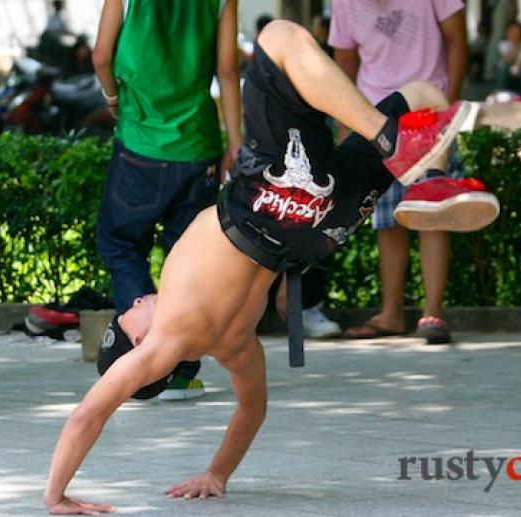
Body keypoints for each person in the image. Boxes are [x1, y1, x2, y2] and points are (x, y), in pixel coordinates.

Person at [44, 20, 496, 513]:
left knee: (420, 92)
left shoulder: (236, 348)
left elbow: (252, 408)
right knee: (278, 36)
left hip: (320, 227)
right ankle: (399, 149)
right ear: (136, 343)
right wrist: (55, 497)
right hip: (272, 194)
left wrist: (218, 473)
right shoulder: (163, 340)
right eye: (125, 316)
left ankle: (426, 179)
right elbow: (88, 414)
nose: (131, 302)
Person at [92, 0, 242, 401]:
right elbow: (228, 70)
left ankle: (146, 364)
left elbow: (102, 54)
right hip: (198, 145)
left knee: (121, 245)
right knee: (187, 258)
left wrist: (111, 97)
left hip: (138, 145)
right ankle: (182, 372)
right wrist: (236, 141)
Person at [330, 0, 471, 344]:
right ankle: (391, 313)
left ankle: (433, 312)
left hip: (428, 110)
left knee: (432, 212)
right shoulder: (344, 2)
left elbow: (458, 40)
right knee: (387, 219)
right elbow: (343, 64)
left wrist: (447, 109)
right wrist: (345, 129)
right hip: (375, 117)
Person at [496, 20, 521, 96]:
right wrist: (516, 46)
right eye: (511, 31)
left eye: (516, 31)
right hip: (508, 73)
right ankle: (500, 92)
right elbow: (507, 59)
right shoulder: (503, 44)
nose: (514, 34)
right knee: (504, 66)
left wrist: (519, 65)